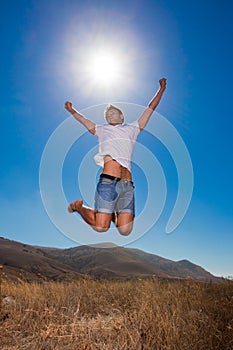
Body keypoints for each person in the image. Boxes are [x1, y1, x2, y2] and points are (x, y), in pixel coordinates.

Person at [65, 78, 166, 236]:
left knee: (125, 230)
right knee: (101, 228)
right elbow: (84, 121)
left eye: (113, 113)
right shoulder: (101, 129)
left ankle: (111, 212)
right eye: (107, 115)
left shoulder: (133, 128)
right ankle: (79, 207)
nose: (110, 116)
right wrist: (72, 111)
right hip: (108, 182)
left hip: (127, 186)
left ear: (122, 116)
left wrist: (161, 89)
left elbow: (150, 108)